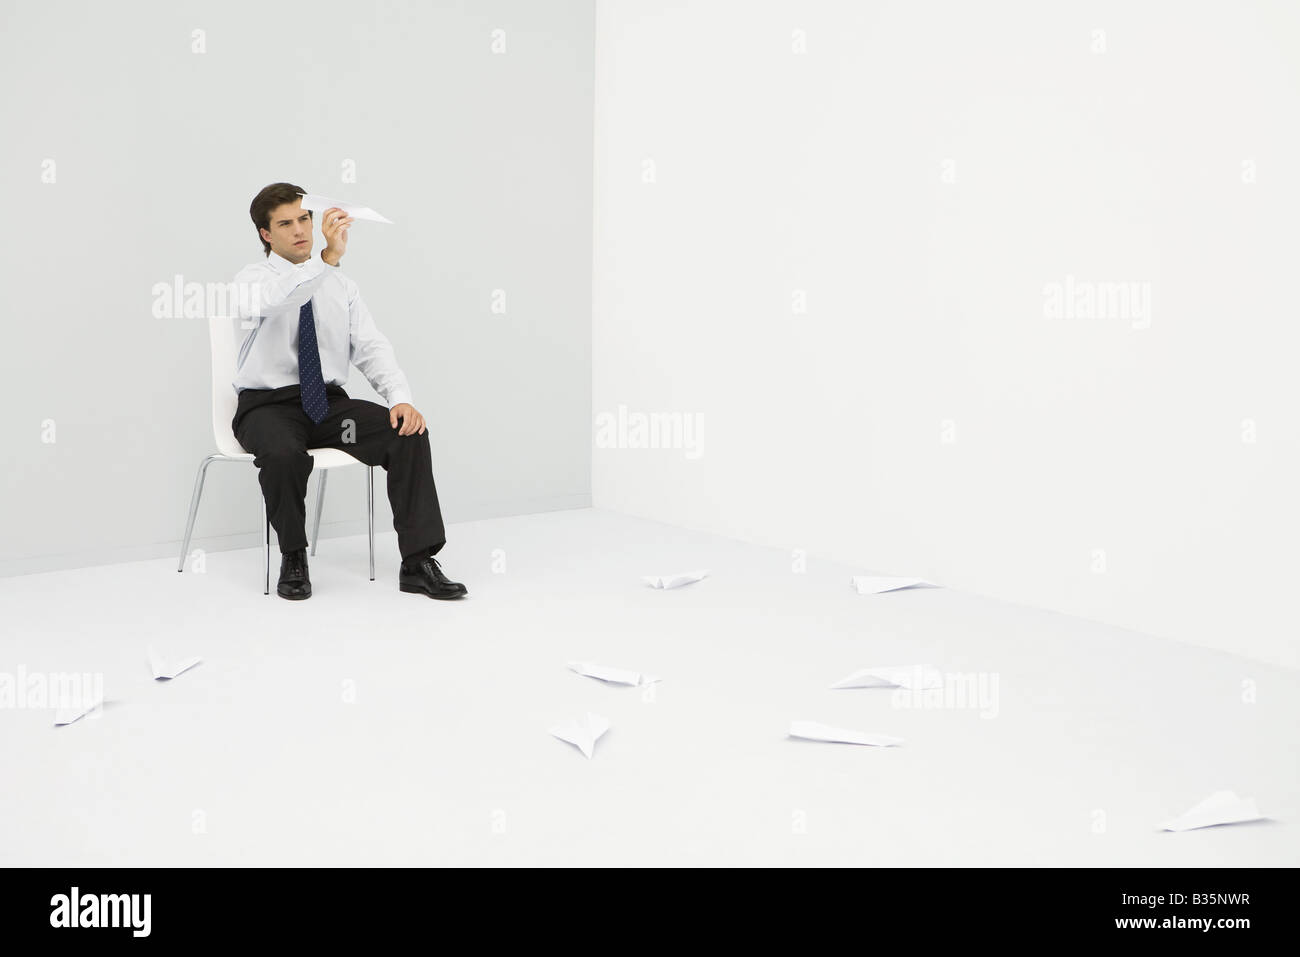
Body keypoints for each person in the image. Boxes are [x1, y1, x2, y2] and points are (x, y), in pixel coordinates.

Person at [230, 182, 466, 602]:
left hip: (326, 410)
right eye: (285, 224)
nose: (300, 229)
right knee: (283, 454)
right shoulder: (252, 282)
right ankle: (294, 556)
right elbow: (284, 298)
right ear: (266, 235)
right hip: (267, 409)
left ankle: (417, 562)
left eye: (305, 218)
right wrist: (326, 260)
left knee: (405, 433)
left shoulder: (343, 287)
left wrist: (400, 399)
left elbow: (371, 347)